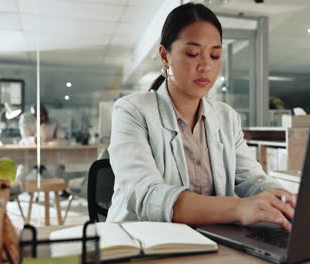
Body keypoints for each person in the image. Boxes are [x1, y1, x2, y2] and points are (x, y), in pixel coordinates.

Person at [107, 3, 296, 232]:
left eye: (215, 55)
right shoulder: (131, 110)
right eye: (193, 54)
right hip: (142, 243)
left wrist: (285, 201)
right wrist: (239, 208)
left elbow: (252, 180)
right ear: (165, 56)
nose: (206, 65)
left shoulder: (227, 117)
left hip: (211, 243)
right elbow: (149, 195)